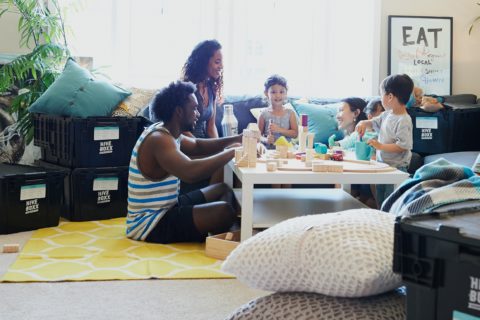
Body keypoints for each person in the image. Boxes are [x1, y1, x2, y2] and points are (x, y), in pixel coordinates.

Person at [126, 81, 243, 244]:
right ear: (179, 112)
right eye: (194, 108)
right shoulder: (159, 139)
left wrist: (238, 139)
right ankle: (219, 237)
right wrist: (231, 152)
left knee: (222, 189)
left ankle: (216, 235)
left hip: (169, 207)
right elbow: (190, 172)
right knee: (224, 211)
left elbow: (198, 146)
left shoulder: (169, 132)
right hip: (150, 224)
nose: (198, 113)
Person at [356, 74, 414, 209]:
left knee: (391, 201)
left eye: (381, 94)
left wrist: (380, 146)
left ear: (390, 97)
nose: (380, 98)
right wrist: (364, 122)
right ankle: (381, 217)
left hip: (396, 167)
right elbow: (373, 123)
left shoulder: (404, 120)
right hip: (382, 164)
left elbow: (403, 146)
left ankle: (389, 221)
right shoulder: (386, 114)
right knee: (380, 198)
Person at [181, 39, 223, 139]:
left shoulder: (211, 88)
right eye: (217, 62)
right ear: (203, 62)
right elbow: (182, 130)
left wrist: (218, 147)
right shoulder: (186, 89)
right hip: (189, 144)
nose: (221, 66)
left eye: (221, 62)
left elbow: (211, 127)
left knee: (235, 145)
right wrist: (202, 148)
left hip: (203, 144)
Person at [257, 75, 298, 149]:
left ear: (286, 93)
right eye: (273, 92)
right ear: (266, 93)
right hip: (270, 151)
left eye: (281, 92)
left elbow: (295, 134)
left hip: (287, 150)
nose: (278, 95)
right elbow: (258, 136)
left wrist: (279, 129)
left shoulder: (290, 113)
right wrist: (266, 140)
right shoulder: (263, 114)